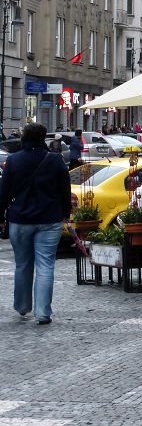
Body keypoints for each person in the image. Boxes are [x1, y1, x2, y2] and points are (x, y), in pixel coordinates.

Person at [0, 123, 71, 325]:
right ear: (43, 139)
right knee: (46, 265)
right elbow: (65, 191)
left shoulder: (14, 161)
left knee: (22, 264)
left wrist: (1, 216)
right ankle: (42, 313)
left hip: (20, 219)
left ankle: (22, 306)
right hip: (49, 219)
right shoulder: (55, 160)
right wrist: (66, 214)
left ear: (25, 138)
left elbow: (3, 192)